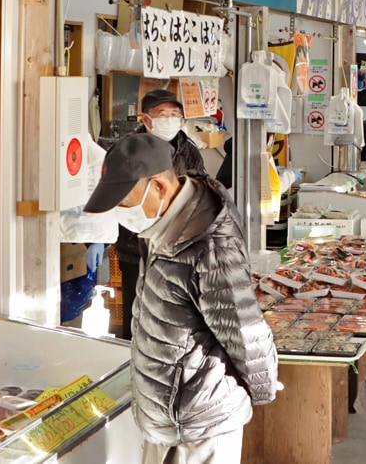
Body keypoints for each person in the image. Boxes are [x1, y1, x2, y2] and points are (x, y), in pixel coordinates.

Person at [84, 134, 278, 463]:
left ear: (159, 186)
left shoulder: (209, 244)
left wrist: (262, 388)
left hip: (200, 422)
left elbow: (244, 330)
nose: (121, 213)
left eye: (125, 202)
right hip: (167, 417)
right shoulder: (164, 222)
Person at [114, 89, 205, 340]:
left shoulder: (188, 148)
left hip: (178, 246)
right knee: (138, 311)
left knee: (171, 313)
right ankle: (130, 362)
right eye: (163, 114)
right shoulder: (128, 150)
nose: (170, 119)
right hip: (136, 245)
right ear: (146, 118)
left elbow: (200, 189)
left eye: (175, 114)